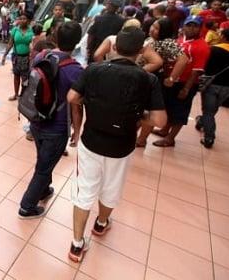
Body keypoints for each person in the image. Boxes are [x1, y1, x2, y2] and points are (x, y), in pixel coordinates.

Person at [67, 27, 167, 262]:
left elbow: (72, 97)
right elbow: (159, 120)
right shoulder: (148, 79)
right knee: (111, 187)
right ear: (141, 51)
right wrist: (138, 117)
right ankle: (101, 224)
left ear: (113, 46)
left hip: (91, 142)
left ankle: (77, 244)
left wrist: (92, 103)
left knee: (84, 190)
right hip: (122, 146)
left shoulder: (94, 70)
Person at [18, 22, 83, 218]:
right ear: (77, 42)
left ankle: (44, 190)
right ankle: (27, 206)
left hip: (36, 119)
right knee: (44, 167)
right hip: (57, 127)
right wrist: (77, 131)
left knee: (43, 159)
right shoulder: (76, 70)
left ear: (55, 37)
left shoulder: (42, 56)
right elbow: (76, 106)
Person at [152, 16, 210, 147]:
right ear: (183, 26)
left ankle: (171, 138)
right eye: (188, 25)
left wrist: (186, 88)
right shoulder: (180, 40)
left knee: (180, 111)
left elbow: (196, 71)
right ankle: (165, 130)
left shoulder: (202, 47)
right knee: (170, 107)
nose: (191, 28)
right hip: (172, 81)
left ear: (200, 28)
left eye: (195, 26)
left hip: (185, 83)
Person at [135, 17, 189, 147]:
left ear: (164, 31)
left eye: (157, 28)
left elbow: (183, 59)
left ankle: (141, 139)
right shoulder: (152, 39)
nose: (152, 29)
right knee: (140, 110)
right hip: (143, 78)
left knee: (149, 111)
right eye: (153, 26)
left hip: (153, 79)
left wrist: (171, 78)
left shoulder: (167, 42)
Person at [195, 28, 229, 148]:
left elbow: (204, 66)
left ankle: (209, 137)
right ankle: (201, 121)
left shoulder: (213, 49)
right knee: (213, 109)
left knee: (208, 111)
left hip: (211, 84)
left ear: (223, 36)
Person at [93, 19, 163, 73]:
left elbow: (97, 55)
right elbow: (158, 62)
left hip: (109, 70)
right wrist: (140, 71)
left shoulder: (111, 39)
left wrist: (104, 68)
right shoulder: (144, 44)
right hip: (132, 75)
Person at [2, 13, 34, 101]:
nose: (22, 20)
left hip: (27, 58)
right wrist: (4, 55)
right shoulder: (15, 30)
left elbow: (34, 44)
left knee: (25, 78)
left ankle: (23, 95)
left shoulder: (31, 31)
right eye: (21, 18)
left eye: (24, 19)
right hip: (16, 57)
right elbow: (10, 43)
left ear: (28, 20)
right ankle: (16, 94)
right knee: (16, 75)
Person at [87, 0, 124, 64]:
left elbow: (91, 35)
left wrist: (88, 48)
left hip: (96, 47)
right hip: (110, 49)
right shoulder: (121, 20)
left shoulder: (99, 18)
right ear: (117, 8)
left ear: (108, 5)